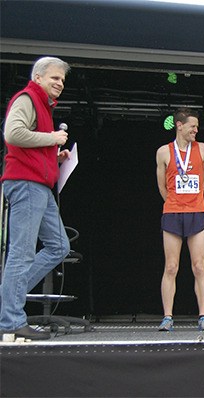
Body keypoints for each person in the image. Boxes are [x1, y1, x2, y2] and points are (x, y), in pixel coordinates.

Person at [0, 57, 72, 340]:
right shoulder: (28, 98)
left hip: (38, 184)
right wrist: (53, 139)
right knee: (21, 252)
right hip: (26, 184)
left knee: (59, 246)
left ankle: (8, 300)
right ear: (38, 77)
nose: (60, 83)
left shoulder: (42, 105)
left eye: (63, 80)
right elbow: (13, 133)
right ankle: (10, 320)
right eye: (55, 77)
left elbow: (29, 143)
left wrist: (54, 157)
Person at [155, 108, 204, 332]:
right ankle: (167, 316)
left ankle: (203, 317)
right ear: (179, 125)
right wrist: (175, 202)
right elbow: (162, 186)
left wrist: (192, 200)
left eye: (197, 127)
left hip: (197, 212)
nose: (196, 130)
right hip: (172, 213)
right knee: (171, 266)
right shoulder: (163, 152)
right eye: (192, 126)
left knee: (199, 266)